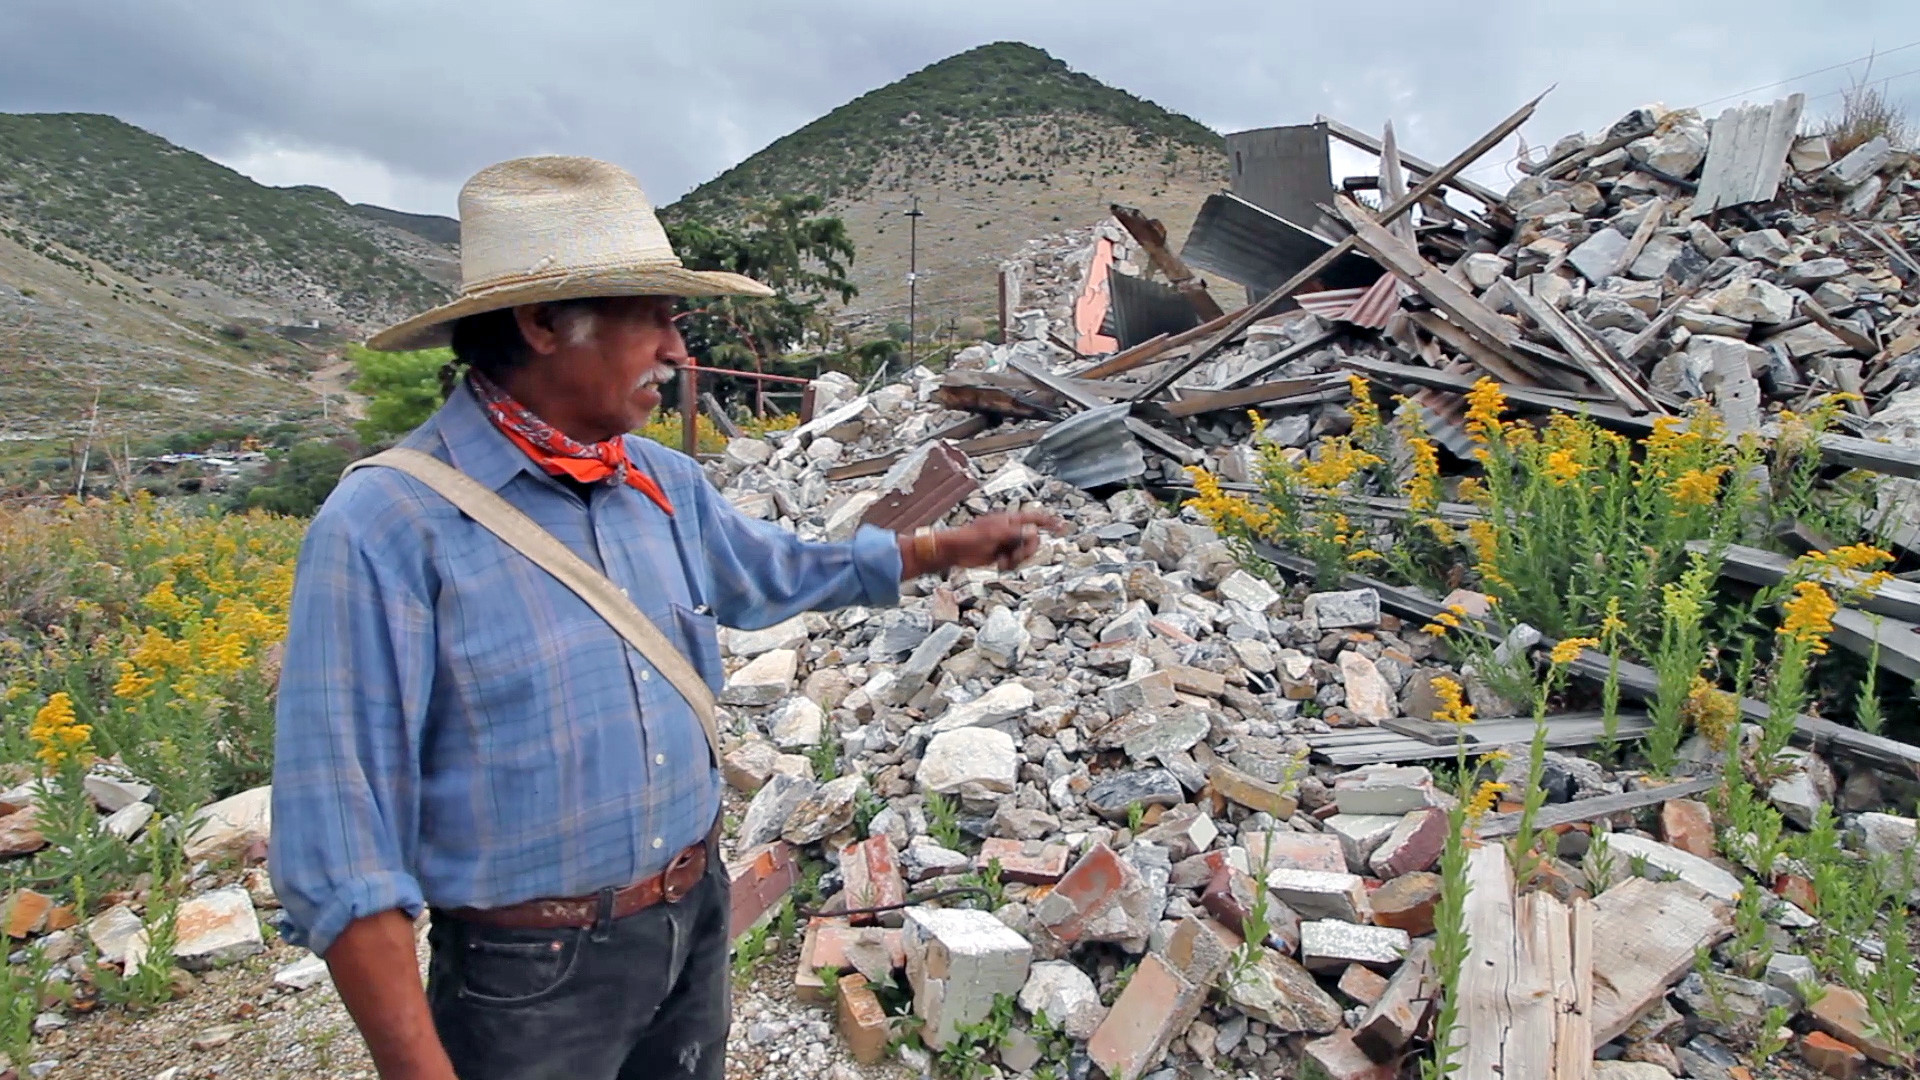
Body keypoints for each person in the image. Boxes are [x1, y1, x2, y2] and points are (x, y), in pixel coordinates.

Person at [269, 155, 1062, 1080]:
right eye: (655, 319)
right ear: (539, 324)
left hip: (693, 917)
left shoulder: (660, 482)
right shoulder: (387, 526)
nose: (680, 353)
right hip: (525, 979)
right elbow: (341, 843)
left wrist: (936, 550)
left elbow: (771, 575)